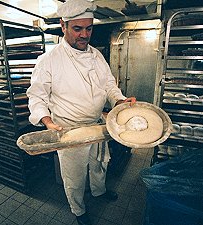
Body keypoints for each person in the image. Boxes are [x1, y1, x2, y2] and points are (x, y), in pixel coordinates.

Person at [27, 0, 136, 224]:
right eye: (77, 29)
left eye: (89, 28)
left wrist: (119, 99)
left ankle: (99, 191)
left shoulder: (96, 55)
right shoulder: (49, 60)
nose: (84, 35)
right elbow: (37, 95)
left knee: (99, 164)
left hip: (96, 125)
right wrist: (47, 121)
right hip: (69, 129)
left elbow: (108, 84)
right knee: (74, 175)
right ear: (63, 26)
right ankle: (79, 210)